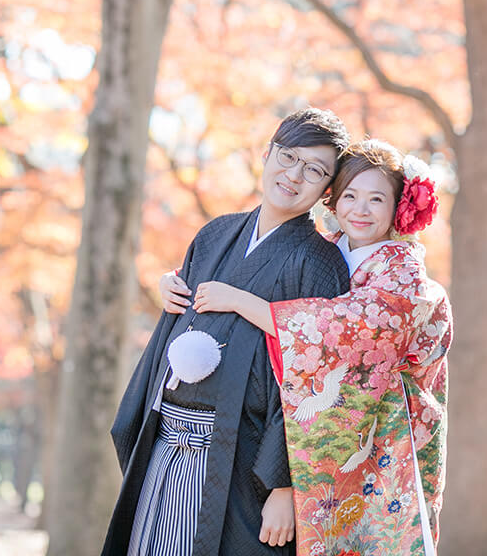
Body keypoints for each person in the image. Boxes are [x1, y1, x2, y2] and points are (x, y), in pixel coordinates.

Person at [164, 139, 452, 556]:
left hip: (383, 434)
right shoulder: (328, 248)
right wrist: (173, 281)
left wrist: (238, 301)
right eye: (350, 195)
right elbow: (257, 274)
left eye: (376, 199)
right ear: (332, 198)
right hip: (318, 428)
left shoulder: (404, 276)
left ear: (399, 208)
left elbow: (332, 331)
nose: (361, 209)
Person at [102, 108, 352, 556]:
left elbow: (314, 377)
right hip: (168, 442)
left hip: (245, 460)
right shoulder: (216, 234)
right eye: (288, 157)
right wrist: (169, 292)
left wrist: (285, 485)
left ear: (327, 190)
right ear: (267, 153)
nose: (294, 176)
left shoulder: (319, 263)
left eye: (314, 171)